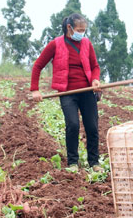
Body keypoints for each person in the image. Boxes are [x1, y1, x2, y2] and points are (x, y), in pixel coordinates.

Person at [31, 13, 102, 170]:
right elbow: (38, 65)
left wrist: (95, 79)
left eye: (84, 30)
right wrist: (35, 89)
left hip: (87, 91)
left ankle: (94, 162)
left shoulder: (86, 44)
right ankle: (72, 162)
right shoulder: (55, 44)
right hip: (67, 93)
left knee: (92, 126)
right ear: (69, 28)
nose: (81, 33)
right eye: (79, 29)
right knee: (73, 125)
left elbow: (95, 66)